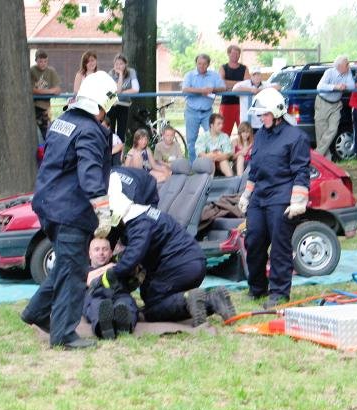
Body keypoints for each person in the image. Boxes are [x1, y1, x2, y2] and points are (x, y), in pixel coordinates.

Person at [20, 71, 118, 350]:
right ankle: (63, 334)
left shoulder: (62, 122)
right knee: (75, 272)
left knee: (66, 264)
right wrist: (103, 210)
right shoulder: (90, 131)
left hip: (49, 205)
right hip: (71, 210)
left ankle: (36, 311)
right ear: (103, 103)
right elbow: (89, 174)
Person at [98, 166, 237, 325]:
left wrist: (111, 274)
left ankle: (208, 301)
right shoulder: (148, 214)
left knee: (153, 306)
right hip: (190, 261)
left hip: (180, 265)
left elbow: (133, 256)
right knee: (151, 293)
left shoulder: (138, 223)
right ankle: (210, 299)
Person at [238, 88, 310, 308]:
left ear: (277, 112)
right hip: (259, 197)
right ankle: (257, 288)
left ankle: (279, 292)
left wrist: (298, 201)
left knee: (279, 246)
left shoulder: (296, 137)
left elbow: (301, 170)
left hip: (281, 196)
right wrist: (247, 194)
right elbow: (255, 169)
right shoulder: (260, 136)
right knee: (254, 240)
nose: (261, 118)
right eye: (260, 115)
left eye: (265, 114)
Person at [83, 237, 139, 339]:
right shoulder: (85, 269)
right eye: (97, 249)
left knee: (126, 304)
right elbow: (89, 280)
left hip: (119, 294)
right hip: (96, 295)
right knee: (97, 306)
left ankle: (125, 325)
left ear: (110, 253)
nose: (101, 253)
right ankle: (103, 327)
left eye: (105, 249)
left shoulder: (120, 266)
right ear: (89, 254)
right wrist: (110, 267)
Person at [182, 54, 226, 162]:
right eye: (199, 64)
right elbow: (185, 89)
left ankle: (213, 165)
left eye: (204, 64)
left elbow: (223, 88)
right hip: (192, 111)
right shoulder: (189, 75)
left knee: (213, 137)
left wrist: (213, 89)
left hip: (207, 112)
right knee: (192, 140)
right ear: (196, 63)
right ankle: (193, 165)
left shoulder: (214, 75)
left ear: (208, 64)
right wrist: (202, 91)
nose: (201, 66)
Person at [315, 55, 355, 160]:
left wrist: (344, 86)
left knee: (333, 129)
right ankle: (326, 160)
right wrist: (335, 87)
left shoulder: (348, 71)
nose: (348, 65)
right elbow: (320, 87)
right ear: (339, 66)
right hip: (322, 103)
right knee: (321, 133)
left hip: (336, 104)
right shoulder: (329, 72)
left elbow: (352, 86)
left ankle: (317, 155)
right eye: (347, 64)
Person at [232, 66, 279, 132]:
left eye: (258, 74)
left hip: (262, 123)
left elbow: (278, 87)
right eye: (254, 75)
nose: (257, 77)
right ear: (251, 76)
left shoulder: (265, 84)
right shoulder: (245, 83)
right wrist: (250, 90)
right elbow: (234, 89)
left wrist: (260, 90)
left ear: (261, 76)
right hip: (247, 122)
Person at [30, 49, 62, 141]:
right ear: (36, 61)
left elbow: (58, 90)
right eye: (40, 61)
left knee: (46, 131)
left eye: (45, 61)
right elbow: (32, 90)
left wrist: (43, 91)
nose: (43, 63)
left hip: (45, 107)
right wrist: (50, 91)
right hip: (35, 105)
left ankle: (46, 150)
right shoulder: (32, 71)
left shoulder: (51, 71)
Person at [107, 54, 139, 142]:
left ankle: (120, 152)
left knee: (122, 131)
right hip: (112, 104)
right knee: (110, 131)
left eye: (121, 64)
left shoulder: (131, 72)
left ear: (125, 64)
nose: (119, 66)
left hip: (124, 104)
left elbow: (136, 89)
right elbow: (115, 91)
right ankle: (110, 152)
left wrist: (122, 93)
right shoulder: (111, 73)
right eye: (116, 64)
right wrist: (120, 92)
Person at [219, 45, 250, 135]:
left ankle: (244, 149)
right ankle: (222, 149)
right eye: (233, 53)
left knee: (244, 131)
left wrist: (230, 85)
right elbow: (221, 83)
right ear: (228, 54)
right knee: (223, 132)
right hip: (226, 104)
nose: (235, 56)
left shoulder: (244, 68)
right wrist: (240, 84)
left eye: (237, 54)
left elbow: (247, 83)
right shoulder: (223, 67)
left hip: (242, 104)